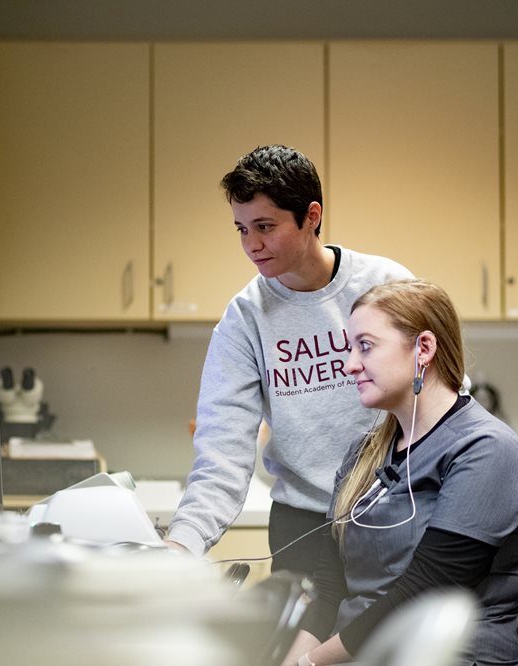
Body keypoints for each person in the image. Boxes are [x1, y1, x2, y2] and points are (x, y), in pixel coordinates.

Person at [164, 144, 412, 575]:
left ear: (311, 216)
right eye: (241, 229)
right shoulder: (245, 318)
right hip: (304, 526)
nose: (252, 245)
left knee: (390, 642)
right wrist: (181, 545)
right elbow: (222, 451)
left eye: (265, 226)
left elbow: (448, 407)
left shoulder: (385, 285)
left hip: (396, 512)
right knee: (301, 644)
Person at [282, 279, 518, 666]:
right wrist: (295, 659)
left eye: (365, 345)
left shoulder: (485, 449)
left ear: (424, 348)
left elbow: (425, 591)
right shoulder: (365, 453)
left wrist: (312, 663)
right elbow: (328, 584)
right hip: (358, 654)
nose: (349, 364)